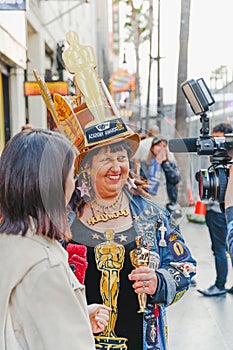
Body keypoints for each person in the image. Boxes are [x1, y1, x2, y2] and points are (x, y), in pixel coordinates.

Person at [66, 135, 196, 350]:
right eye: (106, 159)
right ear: (86, 167)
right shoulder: (64, 217)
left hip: (141, 339)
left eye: (121, 158)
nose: (116, 167)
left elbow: (185, 267)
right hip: (77, 337)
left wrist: (159, 281)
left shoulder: (153, 215)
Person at [0, 129, 110, 349]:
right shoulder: (44, 263)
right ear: (53, 185)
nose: (75, 183)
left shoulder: (10, 240)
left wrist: (75, 312)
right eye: (71, 175)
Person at [197, 122, 233, 297]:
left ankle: (220, 284)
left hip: (219, 213)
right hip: (217, 210)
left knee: (219, 249)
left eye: (219, 140)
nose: (214, 144)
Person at [146, 135, 182, 219]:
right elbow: (147, 184)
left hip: (168, 203)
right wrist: (156, 164)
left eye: (164, 146)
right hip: (153, 204)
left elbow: (175, 179)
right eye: (158, 145)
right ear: (152, 148)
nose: (161, 149)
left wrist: (165, 163)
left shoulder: (170, 163)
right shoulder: (146, 164)